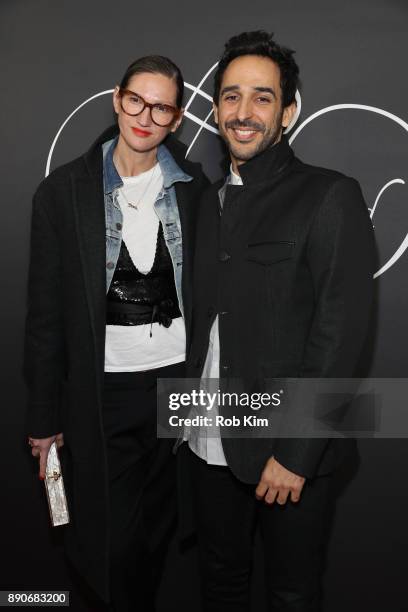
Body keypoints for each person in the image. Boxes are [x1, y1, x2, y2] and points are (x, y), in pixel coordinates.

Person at [180, 31, 376, 611]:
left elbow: (340, 339)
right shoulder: (204, 203)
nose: (244, 113)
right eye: (231, 96)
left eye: (262, 98)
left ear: (288, 111)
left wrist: (297, 451)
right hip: (204, 443)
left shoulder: (330, 195)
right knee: (219, 584)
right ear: (215, 109)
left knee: (291, 593)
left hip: (287, 451)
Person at [24, 55, 208, 611]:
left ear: (176, 119)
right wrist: (43, 417)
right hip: (105, 392)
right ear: (116, 98)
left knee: (159, 534)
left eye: (161, 107)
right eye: (136, 100)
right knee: (114, 544)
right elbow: (45, 314)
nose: (145, 116)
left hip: (178, 388)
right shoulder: (63, 193)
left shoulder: (196, 190)